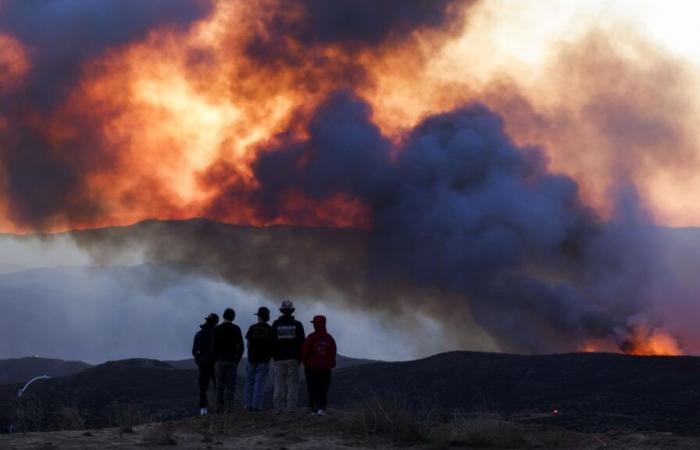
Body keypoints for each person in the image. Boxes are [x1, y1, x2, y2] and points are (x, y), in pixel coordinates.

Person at [271, 300, 305, 412]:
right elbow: (302, 342)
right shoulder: (297, 325)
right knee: (292, 384)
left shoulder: (276, 324)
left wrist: (274, 356)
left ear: (282, 311)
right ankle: (291, 408)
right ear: (291, 311)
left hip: (279, 359)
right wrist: (300, 358)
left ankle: (279, 408)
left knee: (279, 383)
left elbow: (272, 341)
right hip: (293, 359)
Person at [302, 315, 337, 416]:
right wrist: (331, 364)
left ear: (315, 325)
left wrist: (306, 363)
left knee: (312, 388)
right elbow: (333, 352)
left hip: (312, 369)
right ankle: (322, 409)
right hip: (325, 369)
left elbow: (304, 352)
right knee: (323, 389)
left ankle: (314, 409)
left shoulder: (311, 337)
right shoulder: (329, 338)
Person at [211, 307, 244, 414]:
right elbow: (241, 346)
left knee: (219, 384)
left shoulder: (217, 329)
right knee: (231, 385)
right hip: (232, 360)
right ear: (233, 317)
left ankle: (219, 407)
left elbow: (213, 347)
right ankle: (228, 408)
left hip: (219, 361)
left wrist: (215, 359)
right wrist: (237, 359)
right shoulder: (236, 329)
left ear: (223, 316)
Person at [243, 306, 274, 411]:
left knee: (249, 382)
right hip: (264, 360)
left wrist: (251, 353)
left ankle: (248, 405)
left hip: (252, 359)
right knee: (259, 383)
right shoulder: (270, 329)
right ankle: (256, 406)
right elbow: (272, 345)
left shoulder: (252, 328)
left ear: (259, 317)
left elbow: (248, 343)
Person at [192, 313, 219, 416]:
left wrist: (199, 361)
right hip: (214, 364)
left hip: (202, 365)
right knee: (218, 386)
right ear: (215, 323)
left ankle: (203, 410)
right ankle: (220, 408)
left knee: (203, 387)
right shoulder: (216, 335)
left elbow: (194, 351)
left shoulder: (199, 334)